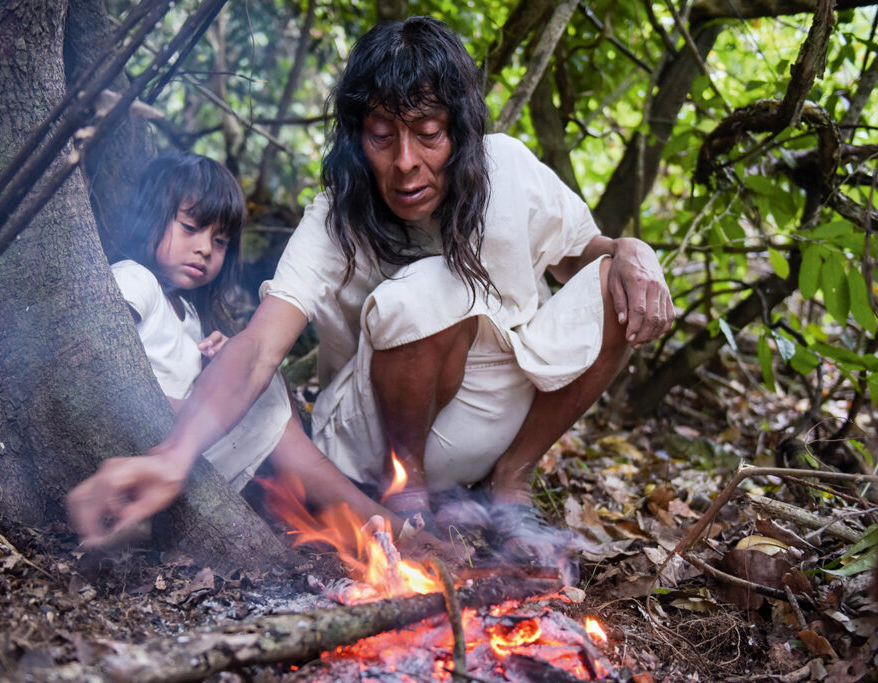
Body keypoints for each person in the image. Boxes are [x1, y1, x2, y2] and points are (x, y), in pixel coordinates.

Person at [68, 17, 674, 565]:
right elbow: (258, 347)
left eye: (429, 133)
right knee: (429, 288)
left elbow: (584, 259)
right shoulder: (336, 216)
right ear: (358, 138)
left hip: (496, 411)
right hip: (370, 436)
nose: (405, 162)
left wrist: (634, 252)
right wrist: (174, 457)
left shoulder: (509, 168)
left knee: (618, 285)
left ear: (461, 131)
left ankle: (511, 481)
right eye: (382, 136)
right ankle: (402, 489)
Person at [69, 151, 415, 546]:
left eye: (219, 241)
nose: (204, 249)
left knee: (262, 386)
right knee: (263, 396)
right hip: (148, 434)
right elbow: (98, 355)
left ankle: (361, 522)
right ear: (150, 217)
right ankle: (378, 525)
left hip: (178, 445)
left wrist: (215, 364)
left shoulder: (191, 315)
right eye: (190, 228)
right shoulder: (136, 280)